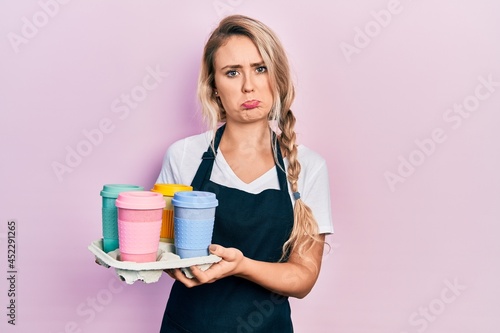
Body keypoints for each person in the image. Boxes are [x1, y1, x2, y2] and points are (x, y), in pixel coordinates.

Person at [156, 14, 333, 332]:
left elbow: (303, 278)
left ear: (276, 76)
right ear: (214, 87)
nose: (248, 85)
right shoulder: (184, 157)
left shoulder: (308, 167)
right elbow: (165, 251)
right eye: (232, 72)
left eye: (260, 68)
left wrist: (241, 266)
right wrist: (173, 267)